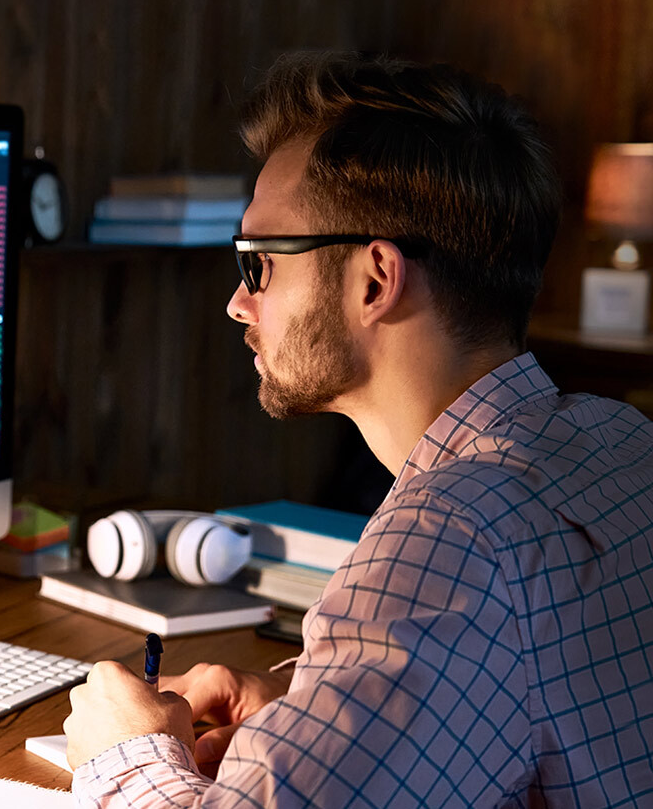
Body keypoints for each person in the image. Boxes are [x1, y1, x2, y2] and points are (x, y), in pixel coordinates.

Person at [62, 52, 653, 807]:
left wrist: (123, 752)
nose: (238, 306)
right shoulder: (619, 440)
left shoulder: (452, 537)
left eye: (259, 264)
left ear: (375, 279)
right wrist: (306, 718)